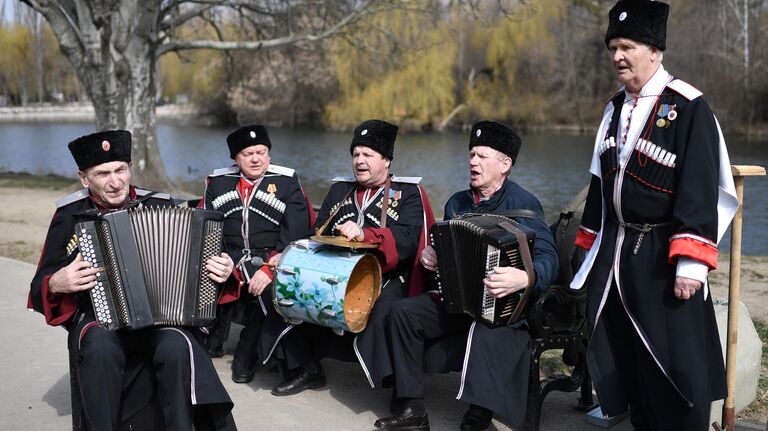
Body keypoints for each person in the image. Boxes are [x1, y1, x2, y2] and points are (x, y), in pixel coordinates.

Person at [571, 2, 738, 429]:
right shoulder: (612, 111)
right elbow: (599, 188)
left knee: (674, 366)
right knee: (632, 364)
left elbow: (701, 187)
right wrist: (587, 254)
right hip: (619, 255)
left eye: (627, 46)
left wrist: (691, 263)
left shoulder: (688, 106)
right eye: (612, 47)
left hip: (666, 256)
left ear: (655, 50)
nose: (617, 57)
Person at [27, 130, 238, 430]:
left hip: (161, 317)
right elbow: (38, 289)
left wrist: (223, 270)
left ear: (129, 168)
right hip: (98, 317)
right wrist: (54, 283)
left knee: (178, 345)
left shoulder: (161, 205)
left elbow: (210, 265)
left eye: (120, 170)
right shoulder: (69, 215)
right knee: (99, 347)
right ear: (84, 179)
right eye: (102, 173)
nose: (115, 181)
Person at [373, 121, 558, 431]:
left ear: (505, 164)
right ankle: (412, 409)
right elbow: (447, 251)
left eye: (482, 156)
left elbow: (548, 259)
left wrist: (524, 278)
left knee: (490, 328)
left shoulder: (524, 205)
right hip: (459, 300)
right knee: (403, 314)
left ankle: (479, 414)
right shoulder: (457, 203)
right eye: (472, 154)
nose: (473, 162)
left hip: (505, 307)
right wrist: (432, 257)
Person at [258, 119, 435, 397]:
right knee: (286, 291)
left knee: (388, 311)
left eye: (367, 155)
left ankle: (399, 390)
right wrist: (288, 256)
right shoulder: (341, 190)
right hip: (336, 272)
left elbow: (409, 239)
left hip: (387, 276)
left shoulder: (408, 193)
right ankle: (307, 368)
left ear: (386, 160)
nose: (359, 161)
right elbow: (317, 232)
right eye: (355, 154)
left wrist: (366, 234)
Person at [200, 124, 314, 383]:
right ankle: (208, 337)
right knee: (199, 275)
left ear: (269, 154)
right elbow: (205, 227)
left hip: (270, 260)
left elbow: (296, 234)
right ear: (235, 159)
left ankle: (245, 355)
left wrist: (270, 268)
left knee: (265, 293)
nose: (255, 159)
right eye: (247, 154)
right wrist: (219, 260)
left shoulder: (286, 183)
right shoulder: (217, 184)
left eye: (261, 152)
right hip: (229, 259)